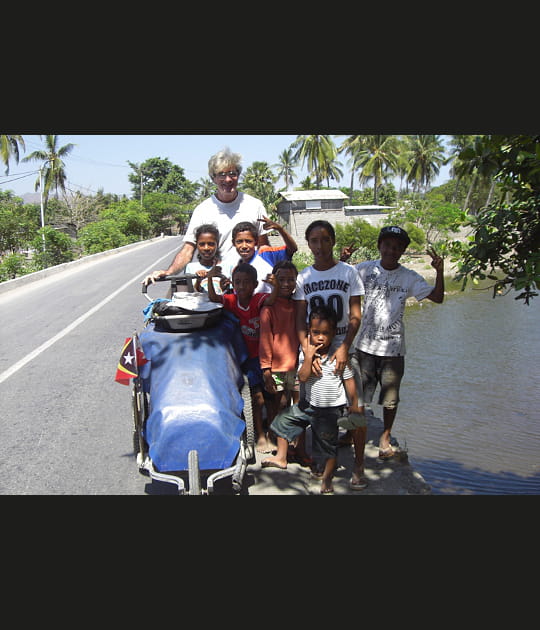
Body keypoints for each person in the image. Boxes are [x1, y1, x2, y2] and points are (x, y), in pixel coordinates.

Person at [350, 225, 445, 459]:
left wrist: (440, 272)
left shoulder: (410, 277)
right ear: (379, 246)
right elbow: (342, 280)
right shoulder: (364, 269)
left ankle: (385, 437)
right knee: (358, 397)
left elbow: (438, 297)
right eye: (388, 245)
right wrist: (343, 261)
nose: (391, 251)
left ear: (402, 251)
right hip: (364, 347)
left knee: (390, 400)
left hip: (393, 350)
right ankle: (351, 433)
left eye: (397, 247)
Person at [293, 219, 368, 490]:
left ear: (333, 241)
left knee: (356, 409)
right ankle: (321, 459)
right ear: (308, 243)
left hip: (343, 348)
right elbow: (300, 318)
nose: (320, 246)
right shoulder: (304, 276)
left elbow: (355, 315)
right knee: (314, 407)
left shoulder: (349, 273)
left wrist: (345, 346)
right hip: (314, 350)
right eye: (314, 240)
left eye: (325, 239)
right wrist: (307, 351)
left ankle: (358, 465)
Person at [261, 305, 364, 495]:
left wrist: (354, 405)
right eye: (316, 332)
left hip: (329, 408)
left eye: (326, 333)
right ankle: (281, 457)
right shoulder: (306, 352)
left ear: (334, 333)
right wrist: (308, 358)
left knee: (327, 445)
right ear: (309, 331)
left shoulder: (338, 355)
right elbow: (302, 377)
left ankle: (327, 478)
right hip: (308, 405)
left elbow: (349, 381)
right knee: (282, 421)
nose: (320, 337)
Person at [143, 147, 270, 286]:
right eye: (221, 174)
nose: (227, 179)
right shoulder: (203, 210)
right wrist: (168, 272)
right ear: (213, 178)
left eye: (232, 173)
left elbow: (264, 248)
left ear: (238, 175)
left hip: (248, 285)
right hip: (216, 285)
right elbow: (188, 249)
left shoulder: (255, 205)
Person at [207, 262, 278, 453]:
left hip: (267, 359)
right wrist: (209, 278)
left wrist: (275, 285)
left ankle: (273, 432)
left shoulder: (258, 299)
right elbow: (213, 297)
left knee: (273, 396)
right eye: (237, 282)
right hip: (247, 360)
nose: (241, 287)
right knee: (257, 398)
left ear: (255, 284)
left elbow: (272, 300)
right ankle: (260, 435)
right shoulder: (231, 300)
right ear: (233, 283)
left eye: (246, 283)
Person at [258, 260, 308, 463]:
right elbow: (265, 341)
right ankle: (282, 453)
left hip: (296, 365)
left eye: (290, 280)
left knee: (299, 408)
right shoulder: (268, 308)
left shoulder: (298, 304)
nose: (286, 284)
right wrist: (266, 370)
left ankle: (300, 448)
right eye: (281, 279)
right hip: (276, 368)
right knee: (280, 408)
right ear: (273, 281)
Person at [220, 218, 298, 294]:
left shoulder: (265, 254)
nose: (244, 246)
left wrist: (280, 229)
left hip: (270, 305)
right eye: (239, 242)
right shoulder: (236, 267)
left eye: (248, 241)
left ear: (256, 242)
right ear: (233, 243)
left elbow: (292, 249)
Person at [184, 223, 230, 294]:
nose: (206, 248)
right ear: (197, 245)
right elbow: (193, 292)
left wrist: (224, 286)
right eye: (202, 244)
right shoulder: (191, 267)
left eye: (211, 244)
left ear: (217, 244)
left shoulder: (227, 267)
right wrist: (199, 280)